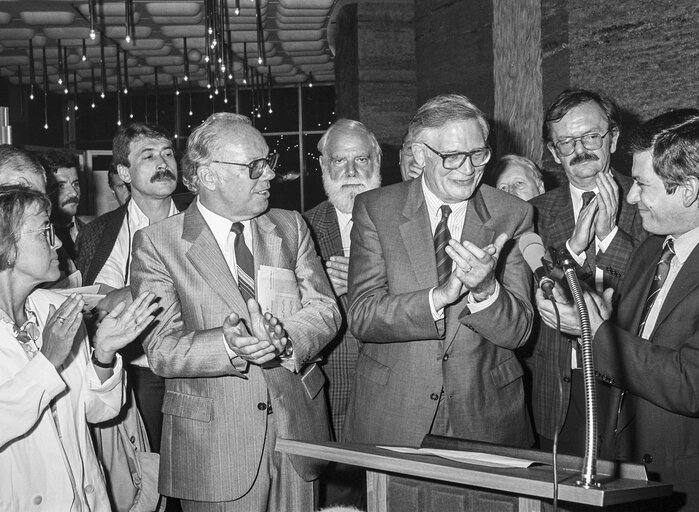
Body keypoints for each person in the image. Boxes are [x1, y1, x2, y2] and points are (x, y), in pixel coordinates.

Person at [536, 109, 699, 512]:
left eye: (642, 184)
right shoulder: (653, 247)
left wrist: (591, 329)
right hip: (628, 472)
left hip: (690, 488)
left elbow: (690, 385)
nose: (630, 196)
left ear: (689, 189)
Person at [130, 112, 341, 511]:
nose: (270, 176)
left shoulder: (289, 227)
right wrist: (228, 347)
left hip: (297, 432)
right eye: (255, 167)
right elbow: (161, 349)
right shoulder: (158, 245)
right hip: (213, 450)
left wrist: (286, 338)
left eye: (269, 163)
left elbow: (325, 309)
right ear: (208, 176)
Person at [343, 94, 535, 447]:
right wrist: (438, 298)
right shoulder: (376, 209)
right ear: (420, 155)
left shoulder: (514, 214)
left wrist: (486, 290)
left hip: (485, 414)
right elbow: (362, 316)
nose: (467, 169)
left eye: (478, 154)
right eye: (452, 157)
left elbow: (519, 332)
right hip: (394, 411)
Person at [0, 185, 157, 511]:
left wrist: (104, 353)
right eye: (45, 231)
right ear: (6, 246)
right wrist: (47, 361)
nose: (58, 242)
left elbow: (97, 412)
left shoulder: (58, 308)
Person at [526, 88, 645, 454]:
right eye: (566, 142)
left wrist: (610, 236)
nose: (580, 149)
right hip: (560, 392)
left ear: (613, 139)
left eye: (591, 136)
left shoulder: (650, 202)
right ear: (552, 151)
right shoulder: (533, 212)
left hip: (633, 385)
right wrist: (573, 250)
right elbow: (536, 294)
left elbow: (648, 289)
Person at [75, 122, 184, 452]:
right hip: (138, 376)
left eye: (168, 153)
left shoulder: (203, 221)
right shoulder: (101, 232)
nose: (163, 163)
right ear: (124, 171)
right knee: (150, 475)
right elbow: (98, 306)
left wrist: (126, 292)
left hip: (198, 369)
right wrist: (172, 286)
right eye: (148, 156)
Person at [305, 118, 382, 440]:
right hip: (332, 388)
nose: (351, 172)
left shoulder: (412, 218)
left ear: (377, 162)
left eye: (361, 160)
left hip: (395, 389)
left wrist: (367, 279)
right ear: (324, 165)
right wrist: (321, 289)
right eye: (339, 160)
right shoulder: (300, 230)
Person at [40, 150, 84, 277]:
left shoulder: (94, 232)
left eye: (76, 184)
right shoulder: (39, 240)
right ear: (44, 191)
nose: (74, 193)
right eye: (60, 186)